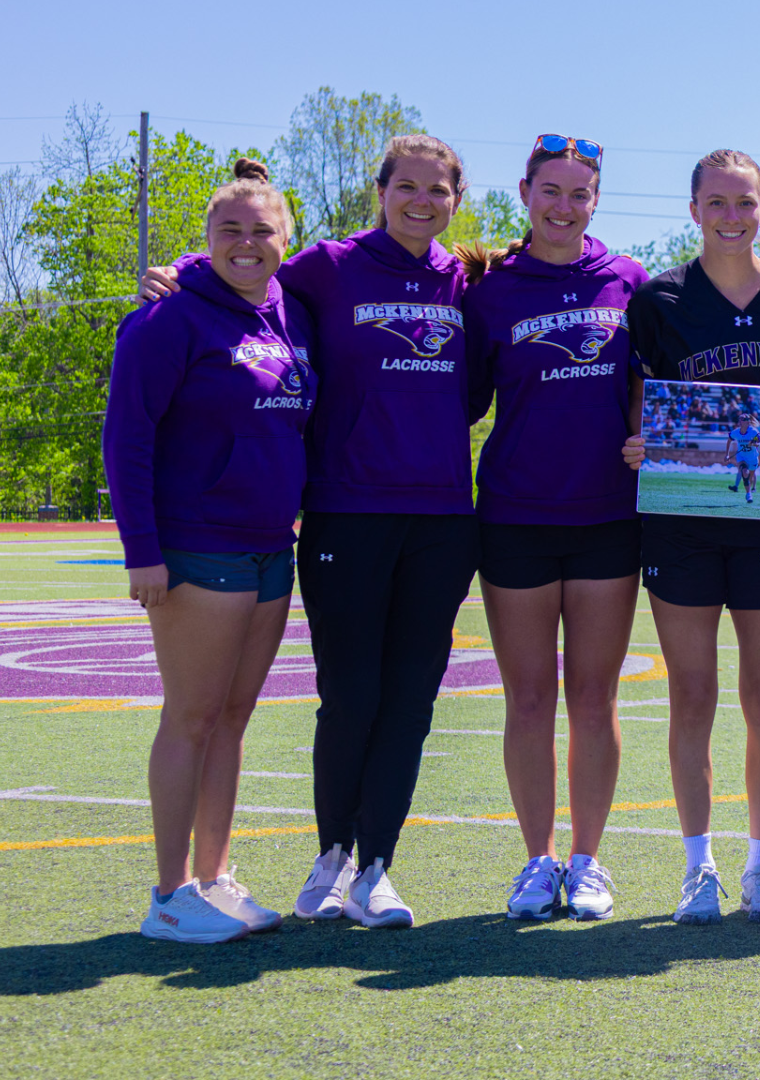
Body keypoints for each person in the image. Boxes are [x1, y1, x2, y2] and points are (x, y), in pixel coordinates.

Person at [138, 136, 478, 930]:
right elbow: (244, 266)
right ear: (381, 189)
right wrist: (182, 271)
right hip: (344, 512)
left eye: (438, 189)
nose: (420, 200)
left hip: (440, 519)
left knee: (410, 703)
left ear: (457, 199)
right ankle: (330, 862)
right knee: (350, 695)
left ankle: (378, 868)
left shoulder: (467, 278)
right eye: (406, 186)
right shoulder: (327, 265)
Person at [620, 149, 760, 925]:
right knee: (692, 695)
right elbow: (640, 408)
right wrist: (638, 444)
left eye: (745, 202)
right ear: (694, 209)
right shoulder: (660, 298)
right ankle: (697, 865)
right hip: (680, 525)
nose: (732, 215)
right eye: (717, 202)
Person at [105, 158, 314, 943]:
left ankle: (214, 877)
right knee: (191, 718)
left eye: (262, 231)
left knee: (232, 718)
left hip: (269, 549)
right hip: (198, 548)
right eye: (229, 230)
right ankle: (168, 895)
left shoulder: (287, 313)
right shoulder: (167, 319)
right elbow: (126, 437)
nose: (247, 244)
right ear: (205, 240)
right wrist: (142, 552)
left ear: (285, 239)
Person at [462, 135, 649, 923]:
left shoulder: (631, 283)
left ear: (596, 200)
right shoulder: (488, 290)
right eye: (551, 191)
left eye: (580, 193)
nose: (564, 206)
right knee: (530, 698)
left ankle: (588, 861)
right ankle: (536, 861)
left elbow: (653, 394)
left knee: (595, 701)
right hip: (515, 517)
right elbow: (459, 398)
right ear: (525, 193)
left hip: (609, 518)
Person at [727, 413, 760, 502]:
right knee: (744, 472)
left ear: (747, 422)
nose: (740, 421)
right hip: (741, 457)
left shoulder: (754, 431)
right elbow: (728, 441)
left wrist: (753, 444)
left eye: (742, 419)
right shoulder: (736, 432)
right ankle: (748, 494)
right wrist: (727, 454)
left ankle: (750, 490)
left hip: (753, 458)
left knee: (750, 477)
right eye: (740, 419)